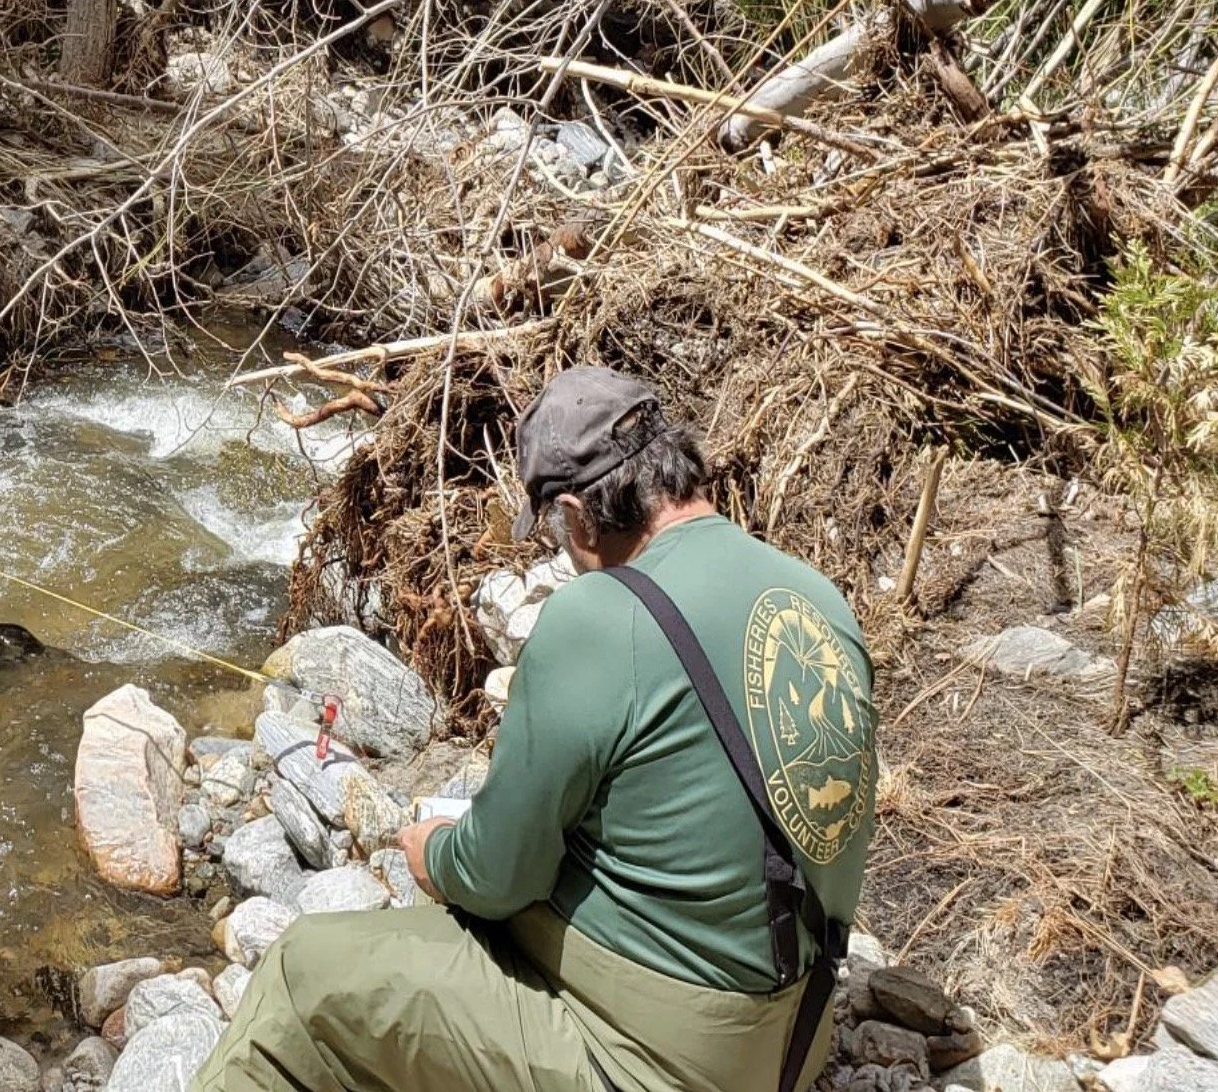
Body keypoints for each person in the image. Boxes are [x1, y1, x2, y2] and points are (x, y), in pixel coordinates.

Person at [195, 365, 878, 1092]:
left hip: (656, 1060)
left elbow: (496, 877)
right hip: (796, 1041)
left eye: (556, 525)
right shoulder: (818, 596)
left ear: (579, 516)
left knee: (305, 975)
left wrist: (436, 855)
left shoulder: (601, 616)